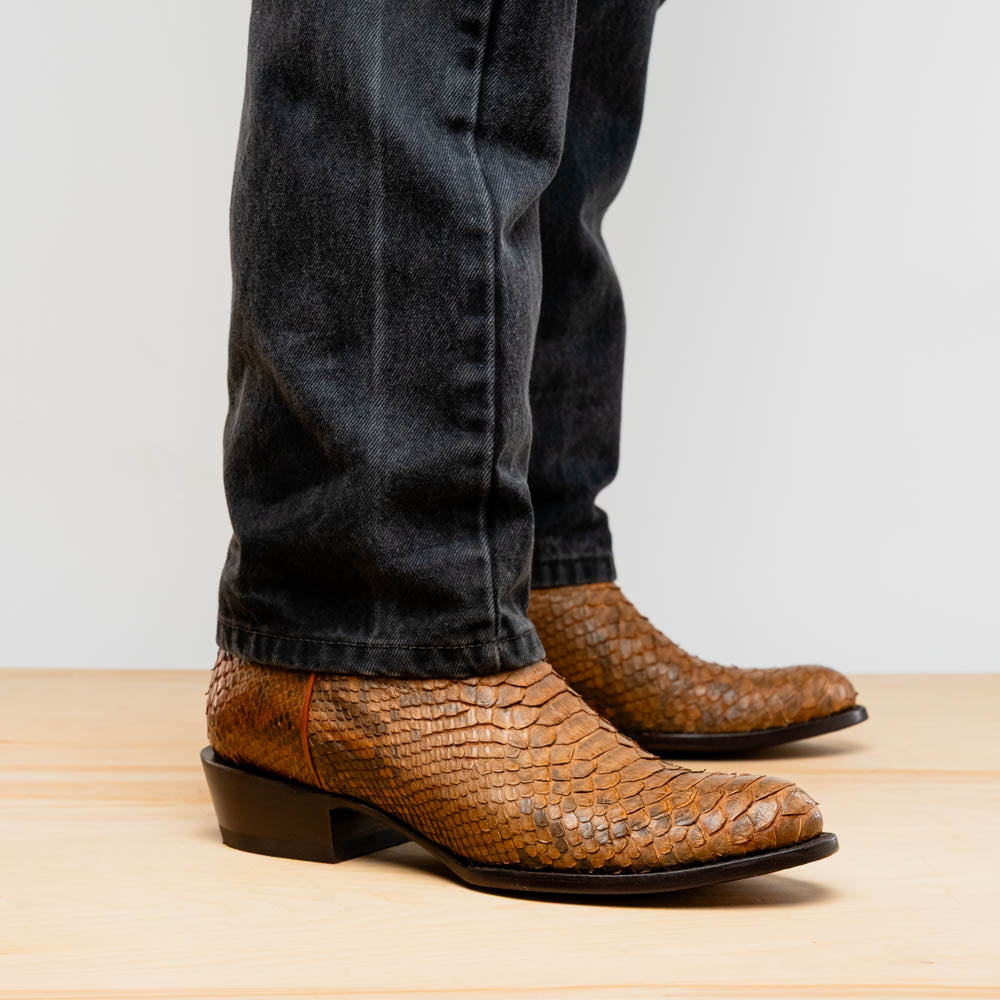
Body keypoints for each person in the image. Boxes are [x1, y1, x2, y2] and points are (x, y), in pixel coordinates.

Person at [202, 0, 867, 895]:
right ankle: (370, 625)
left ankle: (523, 571)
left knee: (562, 48)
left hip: (502, 557)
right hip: (378, 631)